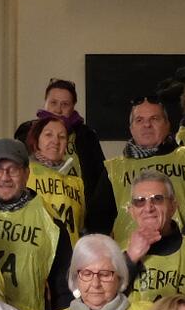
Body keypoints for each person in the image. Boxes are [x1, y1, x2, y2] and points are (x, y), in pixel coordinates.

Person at [0, 138, 73, 310]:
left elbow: (63, 286)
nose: (5, 177)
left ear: (27, 173)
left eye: (13, 169)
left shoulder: (49, 219)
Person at [14, 78, 115, 236]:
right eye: (53, 102)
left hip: (76, 214)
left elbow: (99, 178)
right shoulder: (26, 132)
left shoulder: (87, 136)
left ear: (73, 107)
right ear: (45, 102)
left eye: (65, 104)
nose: (58, 110)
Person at [106, 95, 185, 242]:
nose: (147, 125)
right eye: (139, 120)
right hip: (130, 258)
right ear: (131, 128)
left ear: (167, 124)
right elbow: (99, 222)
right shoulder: (113, 169)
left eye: (154, 119)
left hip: (184, 255)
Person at [122, 172, 185, 310]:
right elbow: (104, 309)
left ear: (173, 206)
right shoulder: (114, 255)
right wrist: (129, 261)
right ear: (132, 211)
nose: (148, 208)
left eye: (157, 199)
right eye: (140, 201)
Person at [34, 234, 151, 310]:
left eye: (104, 274)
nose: (95, 284)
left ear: (119, 277)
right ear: (76, 278)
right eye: (87, 274)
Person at [26, 115, 87, 236]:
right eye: (49, 135)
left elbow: (80, 225)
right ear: (36, 139)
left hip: (69, 252)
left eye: (62, 137)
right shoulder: (24, 173)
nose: (56, 141)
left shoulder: (77, 183)